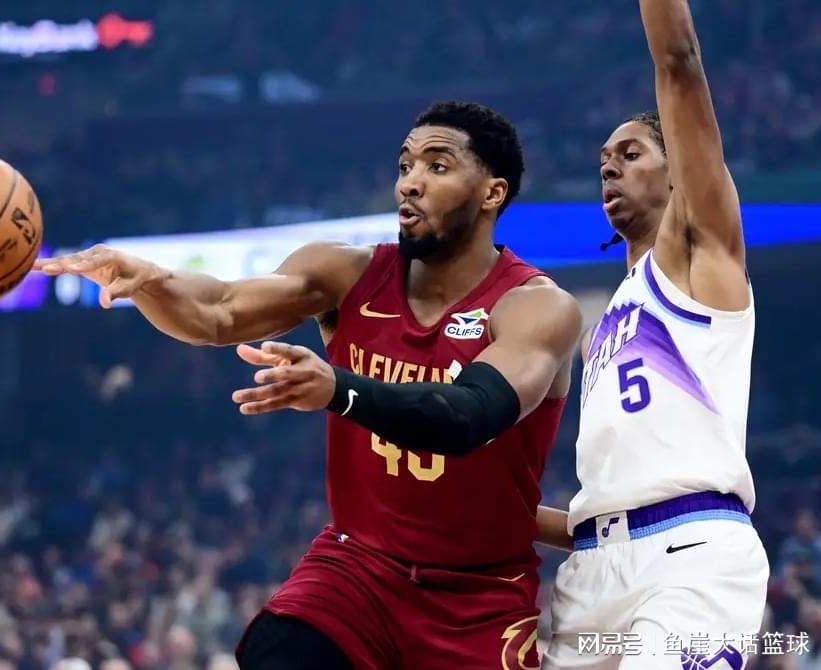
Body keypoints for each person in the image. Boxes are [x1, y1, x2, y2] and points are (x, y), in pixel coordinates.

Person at [37, 101, 583, 670]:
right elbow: (219, 311)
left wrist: (338, 389)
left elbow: (468, 415)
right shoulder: (346, 273)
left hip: (477, 595)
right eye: (405, 166)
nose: (410, 183)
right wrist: (154, 281)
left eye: (437, 166)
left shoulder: (535, 307)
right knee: (278, 652)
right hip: (357, 570)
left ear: (493, 193)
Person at [536, 1, 770, 668]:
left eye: (630, 153)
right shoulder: (600, 329)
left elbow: (679, 63)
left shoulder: (701, 254)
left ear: (677, 171)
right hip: (590, 571)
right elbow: (611, 504)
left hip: (692, 554)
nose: (609, 168)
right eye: (603, 161)